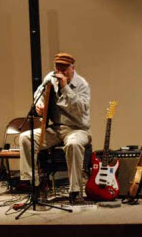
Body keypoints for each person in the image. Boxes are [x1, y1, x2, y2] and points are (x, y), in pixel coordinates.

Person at [19, 52, 91, 204]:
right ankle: (34, 185)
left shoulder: (82, 84)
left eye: (64, 69)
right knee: (25, 137)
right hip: (56, 128)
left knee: (73, 144)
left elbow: (79, 109)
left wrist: (65, 87)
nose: (61, 72)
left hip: (77, 128)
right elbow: (39, 93)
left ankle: (75, 191)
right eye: (58, 68)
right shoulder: (50, 78)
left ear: (73, 68)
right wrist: (39, 104)